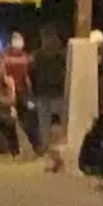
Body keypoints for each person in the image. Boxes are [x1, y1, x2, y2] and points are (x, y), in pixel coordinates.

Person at [1, 32, 42, 154]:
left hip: (24, 94)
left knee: (30, 116)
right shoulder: (5, 57)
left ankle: (36, 145)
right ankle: (12, 149)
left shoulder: (24, 57)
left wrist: (31, 93)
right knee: (9, 121)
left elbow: (28, 76)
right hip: (9, 94)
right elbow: (3, 76)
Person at [32, 24, 67, 152]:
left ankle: (52, 146)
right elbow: (34, 74)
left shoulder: (60, 55)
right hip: (45, 93)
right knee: (45, 123)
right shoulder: (39, 55)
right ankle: (46, 146)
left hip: (56, 94)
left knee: (56, 121)